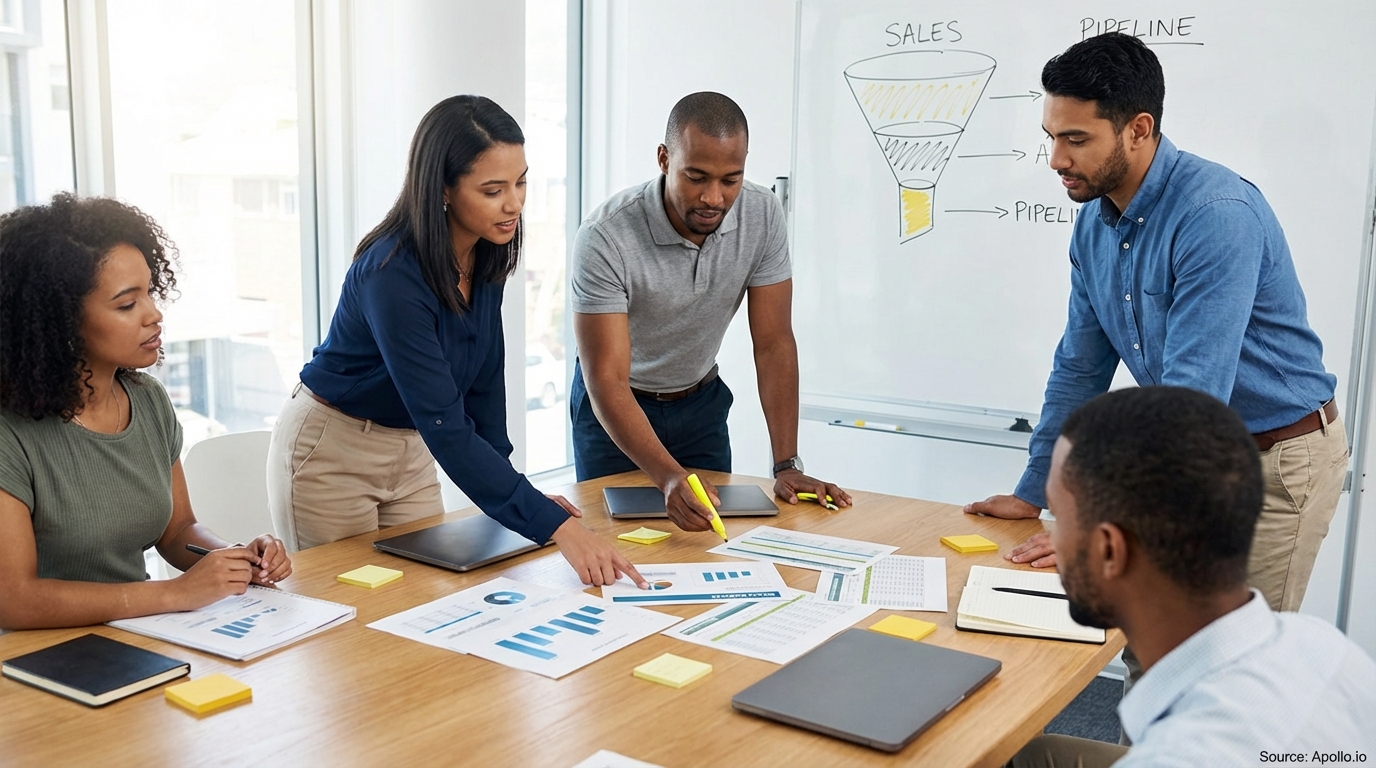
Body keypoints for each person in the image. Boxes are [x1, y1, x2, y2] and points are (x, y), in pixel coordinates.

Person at [966, 33, 1346, 615]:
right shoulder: (1095, 221)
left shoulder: (1215, 216)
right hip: (1190, 451)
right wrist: (1035, 494)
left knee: (1228, 663)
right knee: (1153, 637)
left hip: (1273, 464)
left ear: (1138, 129)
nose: (1057, 159)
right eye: (1051, 137)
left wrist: (1104, 523)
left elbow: (1192, 397)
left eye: (1076, 139)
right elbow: (1080, 368)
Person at [267, 95, 645, 589]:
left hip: (413, 450)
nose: (514, 203)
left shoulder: (488, 251)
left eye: (521, 182)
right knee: (352, 620)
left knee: (424, 601)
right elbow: (445, 420)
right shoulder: (391, 273)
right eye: (493, 190)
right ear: (443, 189)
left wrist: (520, 494)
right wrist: (554, 525)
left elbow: (485, 387)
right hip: (333, 453)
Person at [1006, 386, 1375, 767]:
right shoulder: (1327, 646)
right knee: (1040, 755)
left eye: (1059, 520)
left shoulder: (1178, 755)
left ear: (1110, 551)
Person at [0, 194, 291, 631]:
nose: (154, 314)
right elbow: (15, 601)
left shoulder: (148, 399)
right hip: (39, 658)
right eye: (126, 304)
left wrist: (234, 558)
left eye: (150, 293)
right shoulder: (10, 432)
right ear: (60, 322)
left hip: (136, 636)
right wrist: (174, 593)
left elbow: (176, 533)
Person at [572, 91, 849, 532]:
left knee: (709, 542)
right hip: (616, 410)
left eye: (730, 179)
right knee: (619, 548)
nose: (714, 198)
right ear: (664, 159)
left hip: (700, 406)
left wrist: (786, 464)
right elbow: (606, 378)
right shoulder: (606, 236)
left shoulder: (761, 213)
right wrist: (666, 476)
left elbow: (774, 343)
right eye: (696, 177)